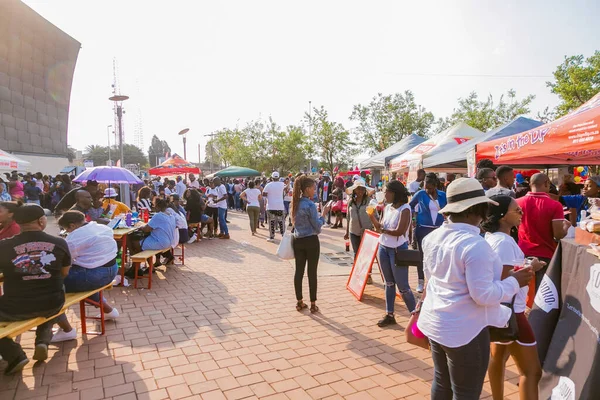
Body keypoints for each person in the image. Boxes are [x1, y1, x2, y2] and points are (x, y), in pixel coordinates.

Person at [417, 178, 533, 399]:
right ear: (477, 210)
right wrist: (515, 282)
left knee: (442, 383)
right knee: (466, 393)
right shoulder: (474, 245)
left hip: (436, 321)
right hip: (464, 330)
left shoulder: (432, 237)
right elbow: (483, 295)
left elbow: (432, 278)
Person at [482, 196, 544, 400]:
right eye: (516, 210)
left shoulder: (492, 237)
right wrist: (530, 268)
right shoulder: (504, 242)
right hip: (512, 312)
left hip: (499, 310)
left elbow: (501, 271)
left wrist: (524, 264)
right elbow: (503, 278)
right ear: (502, 216)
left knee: (498, 358)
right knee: (532, 372)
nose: (521, 213)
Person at [0, 204, 72, 373]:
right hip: (53, 302)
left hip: (15, 307)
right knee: (49, 301)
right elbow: (64, 273)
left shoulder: (3, 246)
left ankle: (14, 354)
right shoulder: (59, 242)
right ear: (41, 221)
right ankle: (42, 340)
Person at [52, 211, 120, 342]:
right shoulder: (102, 227)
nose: (66, 232)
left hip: (94, 275)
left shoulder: (73, 238)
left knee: (49, 286)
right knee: (82, 285)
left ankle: (66, 329)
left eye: (66, 229)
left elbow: (65, 262)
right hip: (111, 270)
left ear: (71, 226)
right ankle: (109, 311)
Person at [368, 180, 417, 327]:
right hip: (383, 247)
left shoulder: (405, 209)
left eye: (387, 191)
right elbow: (379, 227)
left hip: (397, 250)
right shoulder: (387, 208)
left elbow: (400, 231)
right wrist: (372, 217)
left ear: (395, 193)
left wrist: (383, 230)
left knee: (403, 287)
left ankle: (416, 318)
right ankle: (390, 314)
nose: (385, 194)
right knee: (388, 283)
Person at [517, 173, 570, 291]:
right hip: (546, 255)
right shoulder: (555, 205)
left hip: (522, 253)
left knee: (523, 294)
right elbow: (558, 235)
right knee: (543, 296)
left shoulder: (517, 202)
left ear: (530, 184)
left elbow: (515, 226)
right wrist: (566, 227)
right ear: (547, 184)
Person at [291, 176, 329, 313]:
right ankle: (313, 304)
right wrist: (323, 215)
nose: (315, 190)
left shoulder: (295, 203)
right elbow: (317, 227)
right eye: (313, 188)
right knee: (312, 272)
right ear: (307, 189)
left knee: (299, 272)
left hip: (298, 240)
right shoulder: (310, 205)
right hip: (311, 241)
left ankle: (299, 301)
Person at [409, 173, 447, 293]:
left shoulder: (443, 196)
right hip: (423, 229)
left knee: (438, 255)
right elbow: (410, 206)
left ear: (435, 186)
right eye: (425, 187)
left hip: (439, 229)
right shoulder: (420, 194)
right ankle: (421, 281)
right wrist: (414, 219)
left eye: (430, 188)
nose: (427, 190)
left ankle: (436, 280)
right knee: (422, 255)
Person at [130, 198, 177, 265]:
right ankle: (148, 265)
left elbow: (147, 229)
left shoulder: (158, 216)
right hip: (170, 241)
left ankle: (136, 266)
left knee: (135, 243)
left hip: (162, 243)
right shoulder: (171, 215)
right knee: (146, 240)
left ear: (157, 206)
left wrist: (140, 227)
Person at [344, 179, 375, 256]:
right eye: (358, 189)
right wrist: (347, 232)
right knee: (356, 253)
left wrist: (374, 229)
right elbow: (348, 217)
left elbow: (375, 216)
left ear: (365, 190)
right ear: (354, 190)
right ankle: (357, 268)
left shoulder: (369, 202)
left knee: (366, 254)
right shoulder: (350, 202)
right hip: (353, 232)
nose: (360, 191)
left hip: (367, 232)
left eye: (362, 189)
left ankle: (367, 269)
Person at [263, 172, 286, 242]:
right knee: (281, 221)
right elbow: (287, 190)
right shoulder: (282, 184)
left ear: (272, 178)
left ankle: (272, 237)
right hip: (280, 206)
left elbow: (264, 194)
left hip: (270, 206)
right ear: (278, 177)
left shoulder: (268, 185)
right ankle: (283, 236)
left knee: (271, 221)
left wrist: (269, 196)